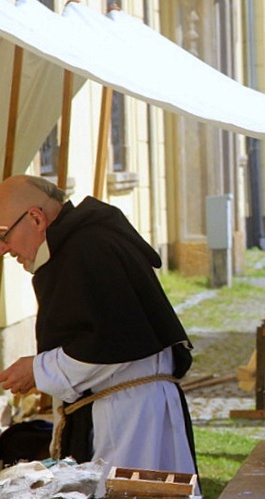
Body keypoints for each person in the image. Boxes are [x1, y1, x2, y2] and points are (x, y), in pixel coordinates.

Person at [0, 175, 198, 494]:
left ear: (36, 218)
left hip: (129, 417)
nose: (4, 248)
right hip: (128, 404)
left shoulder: (86, 248)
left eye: (4, 234)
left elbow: (109, 343)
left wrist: (37, 369)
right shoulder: (83, 242)